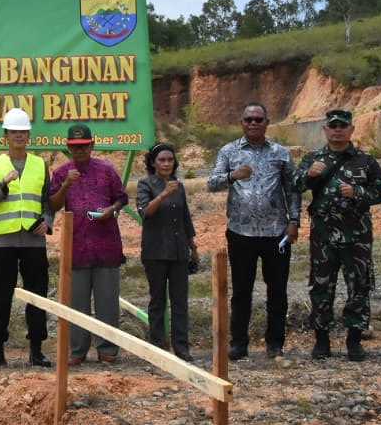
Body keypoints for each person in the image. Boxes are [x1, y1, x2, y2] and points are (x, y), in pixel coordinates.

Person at [293, 110, 381, 362]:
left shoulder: (365, 161)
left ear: (351, 130)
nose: (337, 130)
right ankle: (322, 340)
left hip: (356, 236)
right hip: (323, 236)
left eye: (342, 126)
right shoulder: (314, 158)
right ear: (325, 130)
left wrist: (358, 191)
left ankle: (354, 340)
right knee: (321, 287)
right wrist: (310, 174)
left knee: (358, 286)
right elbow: (294, 185)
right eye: (333, 126)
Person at [207, 102, 300, 360]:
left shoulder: (281, 152)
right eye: (249, 119)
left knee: (277, 290)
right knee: (241, 291)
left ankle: (275, 343)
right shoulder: (228, 151)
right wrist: (232, 176)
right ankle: (239, 343)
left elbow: (292, 189)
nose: (254, 123)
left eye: (259, 119)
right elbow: (211, 184)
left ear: (267, 122)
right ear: (242, 123)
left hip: (276, 233)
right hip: (241, 232)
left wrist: (294, 221)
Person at [0, 107, 54, 369]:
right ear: (5, 136)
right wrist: (3, 185)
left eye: (23, 132)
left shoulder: (40, 164)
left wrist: (48, 222)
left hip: (34, 241)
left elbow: (47, 201)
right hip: (3, 242)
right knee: (0, 297)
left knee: (37, 296)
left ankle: (36, 350)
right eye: (14, 132)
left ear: (29, 135)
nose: (19, 136)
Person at [49, 124, 129, 365]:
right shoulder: (62, 173)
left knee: (107, 302)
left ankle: (107, 349)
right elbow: (52, 205)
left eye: (84, 146)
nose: (80, 151)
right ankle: (77, 351)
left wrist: (111, 210)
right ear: (68, 147)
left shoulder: (106, 170)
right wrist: (65, 186)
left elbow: (122, 198)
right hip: (76, 248)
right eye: (75, 147)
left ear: (92, 145)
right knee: (77, 303)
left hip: (106, 246)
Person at [135, 142, 198, 362]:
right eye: (162, 160)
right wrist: (162, 195)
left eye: (170, 160)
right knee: (158, 301)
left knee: (180, 301)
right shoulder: (145, 184)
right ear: (153, 163)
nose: (166, 163)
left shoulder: (178, 186)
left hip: (179, 251)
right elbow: (145, 213)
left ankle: (182, 348)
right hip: (155, 252)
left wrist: (193, 247)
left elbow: (185, 218)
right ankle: (159, 348)